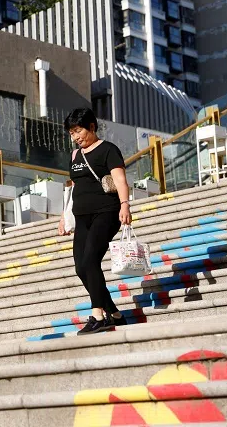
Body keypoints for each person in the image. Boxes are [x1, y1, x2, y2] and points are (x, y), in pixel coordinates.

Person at [59, 108, 132, 335]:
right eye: (71, 133)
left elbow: (120, 179)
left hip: (107, 212)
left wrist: (125, 205)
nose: (75, 137)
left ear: (91, 126)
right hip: (82, 216)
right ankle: (115, 314)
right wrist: (64, 216)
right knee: (81, 267)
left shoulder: (108, 150)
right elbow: (73, 189)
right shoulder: (74, 156)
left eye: (78, 130)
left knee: (91, 260)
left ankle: (98, 316)